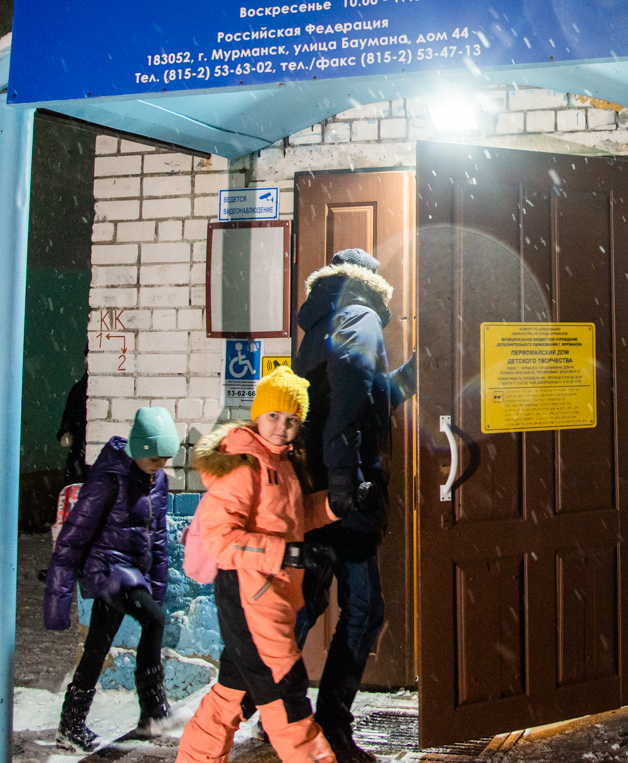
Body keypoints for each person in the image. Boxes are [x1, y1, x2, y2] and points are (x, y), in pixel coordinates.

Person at [176, 365, 338, 763]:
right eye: (273, 417)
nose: (282, 428)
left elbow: (293, 518)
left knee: (233, 689)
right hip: (249, 597)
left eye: (291, 420)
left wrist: (336, 505)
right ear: (257, 416)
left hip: (270, 597)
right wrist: (285, 554)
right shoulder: (244, 466)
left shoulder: (282, 464)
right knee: (287, 697)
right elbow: (222, 540)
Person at [293, 248, 417, 763]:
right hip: (345, 493)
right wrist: (346, 483)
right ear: (369, 281)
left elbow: (362, 392)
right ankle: (331, 727)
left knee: (304, 603)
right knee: (365, 611)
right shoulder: (359, 313)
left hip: (313, 490)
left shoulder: (321, 321)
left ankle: (257, 700)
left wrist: (410, 375)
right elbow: (349, 391)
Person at [45, 406, 178, 752]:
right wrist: (57, 601)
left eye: (166, 458)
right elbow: (71, 538)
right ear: (138, 451)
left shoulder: (158, 481)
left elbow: (158, 539)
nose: (161, 465)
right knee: (154, 620)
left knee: (97, 647)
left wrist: (157, 588)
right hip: (107, 572)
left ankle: (70, 726)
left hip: (131, 574)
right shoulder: (108, 480)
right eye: (155, 459)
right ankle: (153, 709)